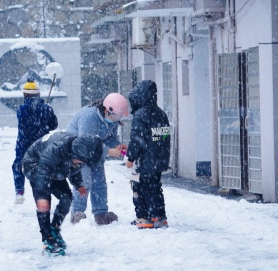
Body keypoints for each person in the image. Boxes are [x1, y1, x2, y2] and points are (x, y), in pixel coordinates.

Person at [22, 131, 103, 256]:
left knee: (67, 197)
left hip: (55, 169)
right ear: (75, 153)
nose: (80, 164)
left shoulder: (81, 153)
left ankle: (54, 228)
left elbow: (73, 169)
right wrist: (42, 196)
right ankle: (47, 239)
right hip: (35, 166)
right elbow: (43, 171)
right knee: (44, 205)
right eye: (79, 161)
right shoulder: (56, 149)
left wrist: (78, 184)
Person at [67, 93, 130, 225]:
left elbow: (110, 137)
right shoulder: (89, 117)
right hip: (77, 152)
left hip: (95, 152)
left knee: (99, 183)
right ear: (106, 110)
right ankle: (77, 213)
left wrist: (117, 146)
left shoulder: (112, 119)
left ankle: (101, 214)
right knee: (85, 181)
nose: (116, 120)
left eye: (119, 117)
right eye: (115, 116)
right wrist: (108, 151)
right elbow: (86, 142)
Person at [125, 80, 171, 229]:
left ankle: (145, 218)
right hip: (160, 159)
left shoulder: (140, 115)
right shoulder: (161, 114)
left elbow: (136, 139)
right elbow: (164, 137)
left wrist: (131, 157)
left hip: (145, 160)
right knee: (155, 187)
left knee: (141, 188)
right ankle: (159, 216)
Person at [12, 77, 58, 204]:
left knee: (18, 166)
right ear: (38, 94)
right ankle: (45, 191)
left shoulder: (21, 109)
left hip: (24, 144)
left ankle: (19, 191)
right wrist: (49, 111)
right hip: (42, 143)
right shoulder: (46, 108)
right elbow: (54, 125)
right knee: (42, 167)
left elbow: (25, 125)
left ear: (25, 94)